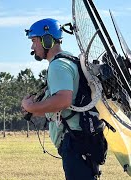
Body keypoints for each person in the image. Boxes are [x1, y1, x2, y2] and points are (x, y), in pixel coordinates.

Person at [21, 18, 101, 180]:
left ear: (47, 40)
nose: (32, 46)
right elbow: (68, 104)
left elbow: (63, 100)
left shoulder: (58, 66)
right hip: (84, 139)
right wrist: (39, 109)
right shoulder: (70, 60)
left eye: (35, 40)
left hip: (74, 142)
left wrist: (30, 107)